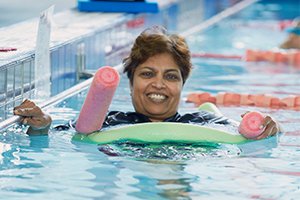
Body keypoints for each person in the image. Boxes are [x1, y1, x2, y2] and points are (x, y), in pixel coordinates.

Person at [13, 26, 285, 140]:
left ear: (182, 86)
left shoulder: (206, 121)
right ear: (130, 85)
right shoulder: (105, 122)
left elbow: (249, 140)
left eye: (170, 76)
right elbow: (56, 134)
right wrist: (41, 125)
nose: (159, 84)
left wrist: (270, 128)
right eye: (147, 74)